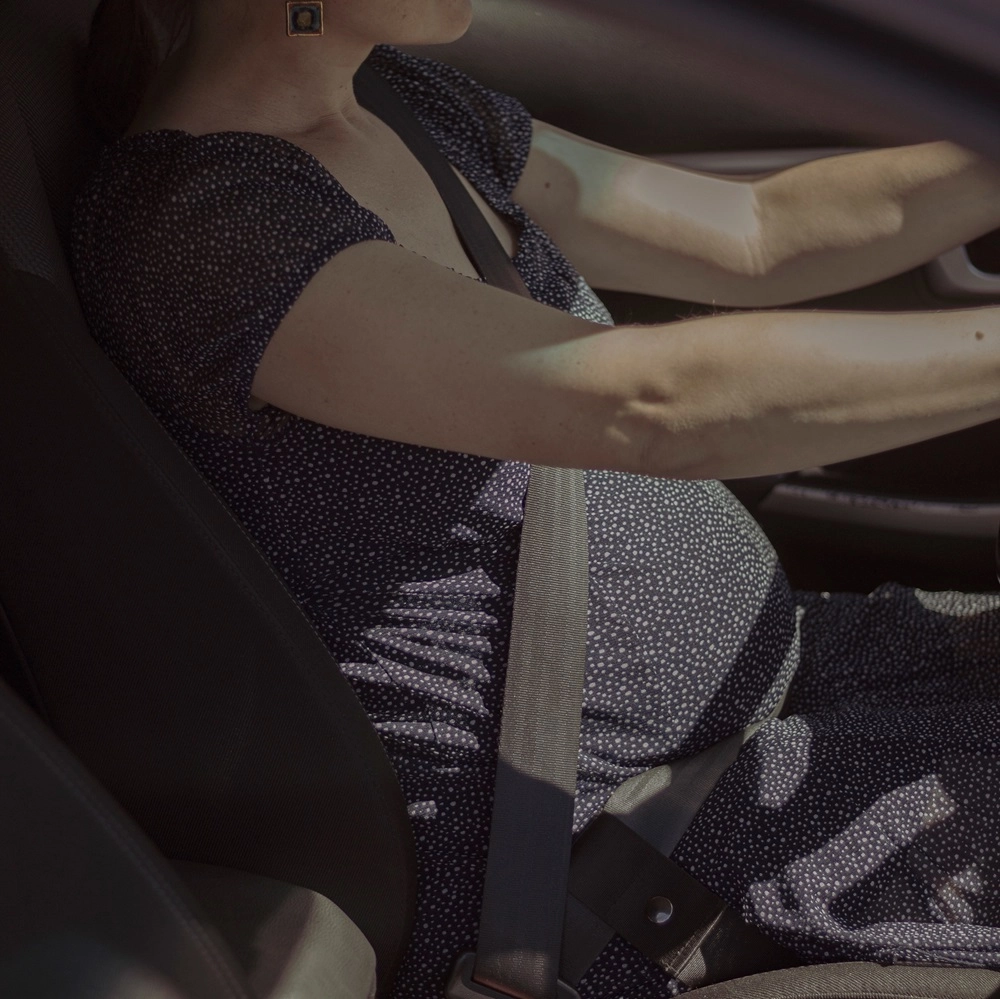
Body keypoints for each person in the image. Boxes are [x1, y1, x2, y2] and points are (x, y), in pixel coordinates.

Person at [71, 0, 1000, 996]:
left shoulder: (402, 100)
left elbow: (756, 232)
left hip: (780, 681)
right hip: (609, 851)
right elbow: (654, 407)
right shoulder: (204, 224)